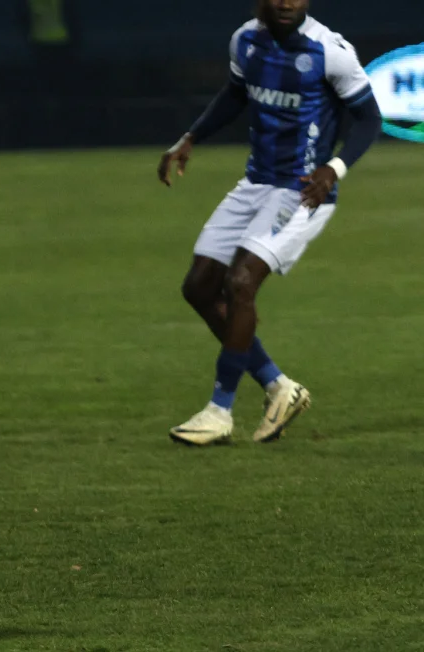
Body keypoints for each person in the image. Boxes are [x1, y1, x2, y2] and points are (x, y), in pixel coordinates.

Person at [158, 0, 381, 446]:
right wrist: (191, 137)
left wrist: (332, 169)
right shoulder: (245, 41)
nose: (286, 2)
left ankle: (219, 411)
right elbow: (236, 93)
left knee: (240, 283)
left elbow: (369, 117)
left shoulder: (330, 51)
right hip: (256, 183)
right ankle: (279, 388)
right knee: (199, 287)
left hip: (303, 189)